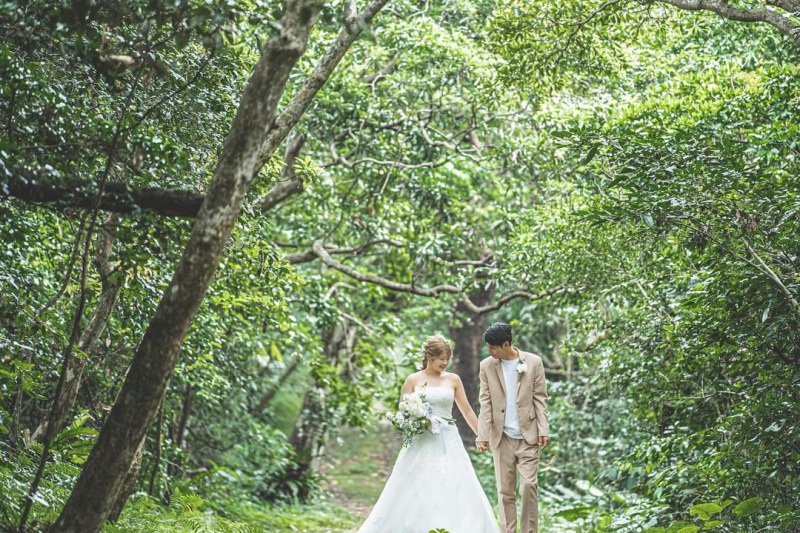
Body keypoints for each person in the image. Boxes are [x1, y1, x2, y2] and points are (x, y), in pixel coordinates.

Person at [358, 334, 501, 533]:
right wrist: (417, 421)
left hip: (448, 440)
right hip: (421, 441)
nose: (445, 362)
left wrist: (481, 435)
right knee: (416, 485)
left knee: (452, 483)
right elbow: (403, 413)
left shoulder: (453, 380)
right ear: (428, 356)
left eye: (447, 358)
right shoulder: (413, 380)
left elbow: (467, 411)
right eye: (441, 358)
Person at [476, 322, 550, 533]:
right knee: (505, 491)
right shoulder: (486, 366)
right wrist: (483, 435)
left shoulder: (534, 362)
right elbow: (486, 402)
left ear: (506, 344)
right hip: (502, 437)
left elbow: (540, 398)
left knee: (528, 486)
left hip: (528, 436)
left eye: (492, 347)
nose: (489, 351)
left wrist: (543, 429)